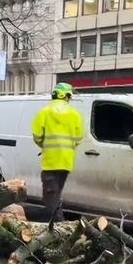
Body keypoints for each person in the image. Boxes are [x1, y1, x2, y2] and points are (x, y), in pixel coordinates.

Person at [31, 83, 83, 222]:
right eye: (69, 96)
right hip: (66, 162)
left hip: (50, 162)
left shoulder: (44, 113)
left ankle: (59, 225)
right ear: (64, 96)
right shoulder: (75, 114)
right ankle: (57, 224)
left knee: (50, 197)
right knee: (56, 195)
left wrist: (45, 145)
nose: (69, 99)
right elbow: (78, 138)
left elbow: (37, 136)